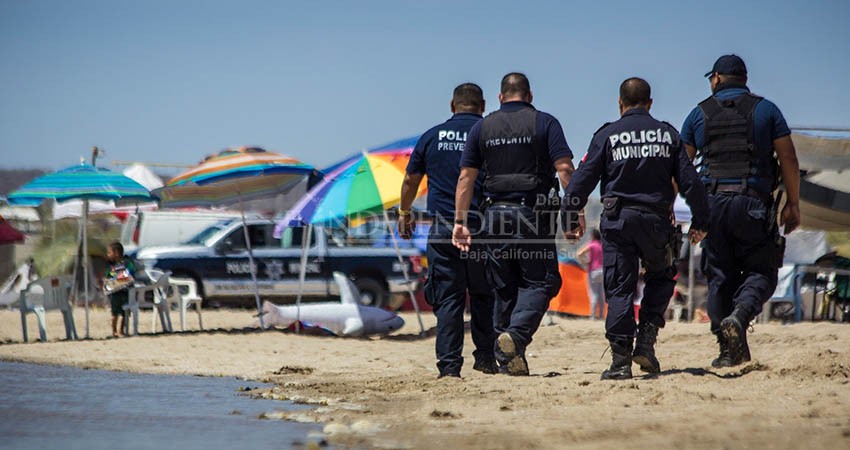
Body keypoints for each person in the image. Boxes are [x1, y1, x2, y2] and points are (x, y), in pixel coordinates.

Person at [561, 77, 710, 380]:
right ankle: (646, 340)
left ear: (620, 103)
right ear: (650, 103)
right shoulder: (668, 135)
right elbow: (691, 182)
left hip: (618, 222)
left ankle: (619, 362)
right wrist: (702, 219)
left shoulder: (608, 135)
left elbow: (581, 180)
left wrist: (569, 216)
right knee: (662, 277)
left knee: (619, 289)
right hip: (657, 222)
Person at [453, 72, 577, 376]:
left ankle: (508, 359)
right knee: (542, 281)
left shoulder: (483, 126)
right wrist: (573, 214)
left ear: (499, 98)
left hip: (493, 216)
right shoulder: (545, 122)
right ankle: (517, 336)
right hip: (532, 216)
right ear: (530, 96)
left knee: (504, 288)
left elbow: (466, 178)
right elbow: (565, 170)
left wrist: (460, 222)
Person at [681, 55, 801, 367]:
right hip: (753, 204)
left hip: (712, 205)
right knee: (762, 270)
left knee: (720, 275)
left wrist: (677, 208)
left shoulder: (699, 113)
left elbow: (679, 167)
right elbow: (788, 158)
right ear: (744, 79)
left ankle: (725, 350)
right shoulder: (766, 110)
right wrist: (793, 203)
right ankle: (740, 315)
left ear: (717, 78)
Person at [399, 83, 497, 378]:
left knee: (448, 298)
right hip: (483, 226)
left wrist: (405, 213)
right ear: (482, 106)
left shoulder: (432, 136)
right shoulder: (489, 133)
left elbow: (410, 180)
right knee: (484, 295)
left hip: (443, 227)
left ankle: (450, 367)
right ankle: (486, 358)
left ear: (452, 106)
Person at [104, 241, 136, 338]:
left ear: (116, 253)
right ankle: (114, 331)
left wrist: (121, 278)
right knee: (114, 313)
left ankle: (121, 330)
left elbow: (131, 272)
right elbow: (108, 276)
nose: (108, 255)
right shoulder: (111, 266)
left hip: (125, 292)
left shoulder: (127, 263)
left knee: (125, 313)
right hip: (115, 293)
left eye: (110, 253)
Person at [577, 229, 605, 320]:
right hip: (603, 271)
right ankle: (601, 315)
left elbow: (579, 253)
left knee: (593, 294)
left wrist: (584, 262)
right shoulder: (602, 245)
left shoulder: (592, 244)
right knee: (601, 294)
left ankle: (593, 316)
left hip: (593, 271)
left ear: (592, 236)